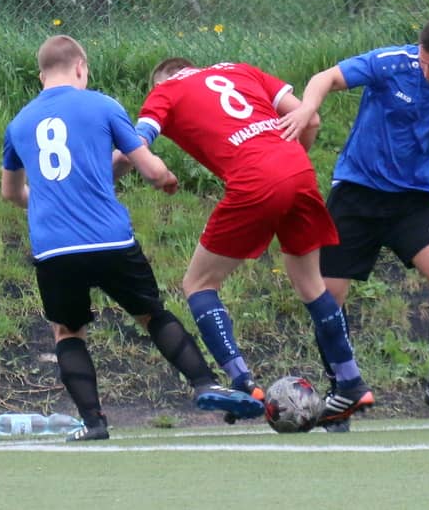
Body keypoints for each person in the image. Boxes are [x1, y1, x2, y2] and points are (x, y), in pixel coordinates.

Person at [0, 36, 264, 441]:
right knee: (151, 315)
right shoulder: (103, 105)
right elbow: (147, 166)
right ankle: (204, 384)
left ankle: (94, 423)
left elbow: (11, 193)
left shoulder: (18, 124)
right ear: (80, 67)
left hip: (54, 247)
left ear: (41, 76)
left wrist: (51, 199)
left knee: (67, 332)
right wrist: (165, 177)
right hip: (109, 238)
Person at [277, 15, 429, 426]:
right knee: (328, 298)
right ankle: (342, 391)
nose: (428, 70)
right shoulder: (391, 63)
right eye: (424, 61)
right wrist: (308, 108)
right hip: (357, 193)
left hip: (413, 203)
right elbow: (326, 77)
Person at [123, 59, 374, 427]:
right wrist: (287, 165)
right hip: (297, 169)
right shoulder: (239, 70)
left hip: (254, 178)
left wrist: (148, 173)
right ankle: (350, 382)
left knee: (199, 283)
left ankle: (242, 383)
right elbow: (310, 120)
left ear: (160, 82)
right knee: (311, 284)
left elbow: (137, 142)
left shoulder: (166, 91)